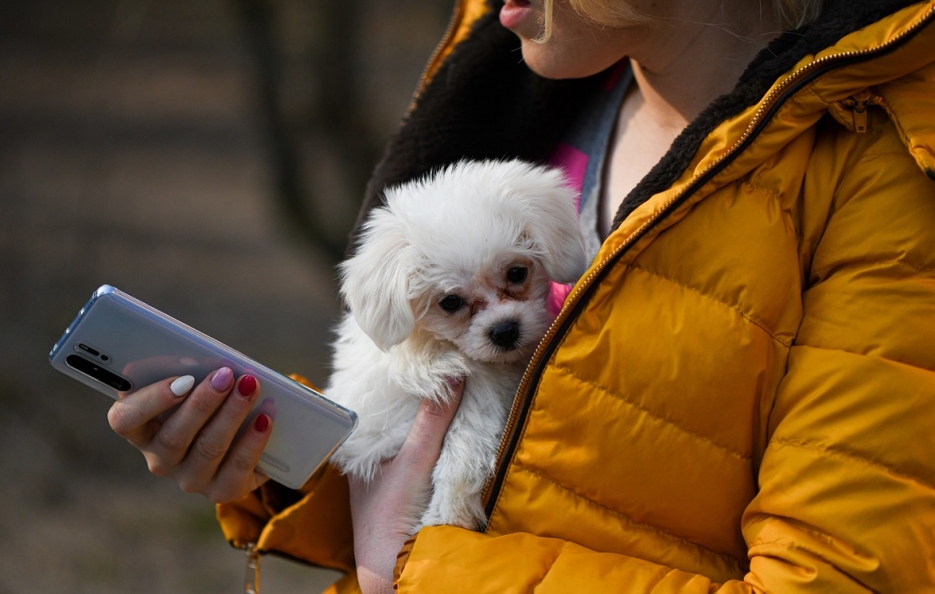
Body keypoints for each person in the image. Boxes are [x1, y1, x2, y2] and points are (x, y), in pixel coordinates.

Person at [106, 0, 935, 591]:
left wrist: (419, 570)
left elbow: (837, 577)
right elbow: (459, 432)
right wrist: (278, 467)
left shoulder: (876, 175)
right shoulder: (512, 108)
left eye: (515, 278)